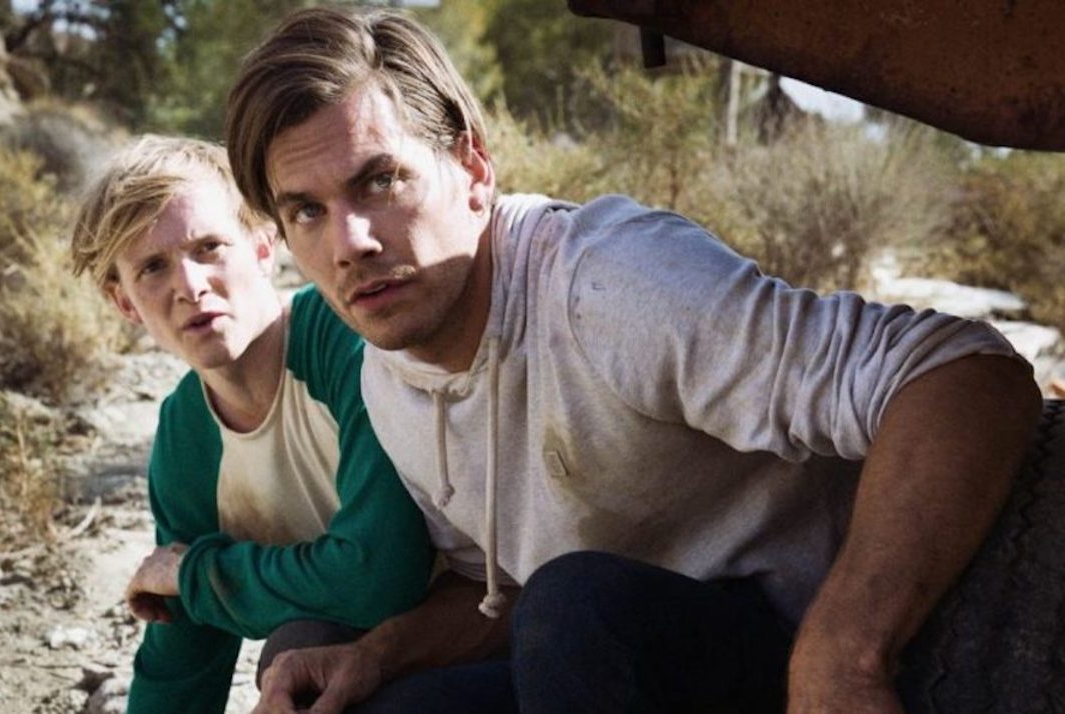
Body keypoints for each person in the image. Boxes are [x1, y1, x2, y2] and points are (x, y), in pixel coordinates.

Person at [224, 8, 1043, 714]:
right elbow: (497, 595)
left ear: (472, 168)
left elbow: (964, 373)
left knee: (574, 607)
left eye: (380, 181)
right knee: (360, 690)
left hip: (807, 646)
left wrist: (845, 654)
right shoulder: (388, 376)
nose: (351, 243)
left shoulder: (609, 283)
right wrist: (376, 655)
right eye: (307, 211)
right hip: (612, 668)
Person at [68, 135, 435, 714]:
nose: (190, 286)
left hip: (483, 631)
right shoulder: (186, 434)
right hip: (359, 656)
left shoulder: (347, 341)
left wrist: (196, 574)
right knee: (298, 656)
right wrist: (193, 583)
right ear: (126, 303)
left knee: (303, 654)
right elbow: (182, 654)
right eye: (153, 268)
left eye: (210, 247)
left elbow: (379, 576)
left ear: (265, 245)